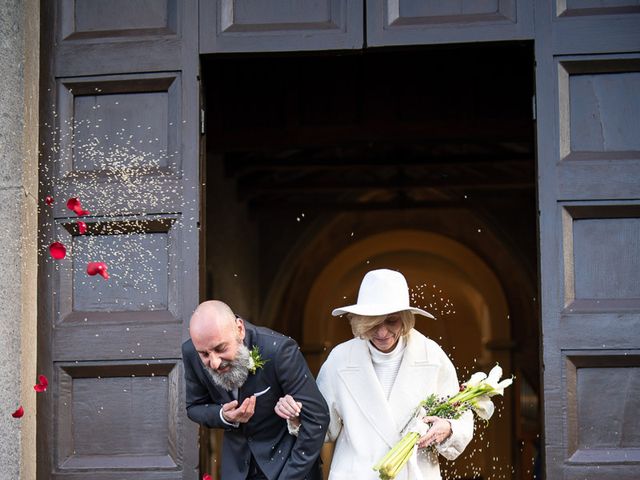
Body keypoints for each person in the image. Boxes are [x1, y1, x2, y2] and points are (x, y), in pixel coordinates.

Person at [275, 269, 473, 480]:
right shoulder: (340, 359)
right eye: (373, 323)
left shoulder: (432, 356)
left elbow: (461, 417)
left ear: (406, 319)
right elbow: (324, 427)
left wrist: (448, 428)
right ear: (360, 321)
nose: (382, 333)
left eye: (391, 321)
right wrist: (297, 417)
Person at [183, 300, 330, 480]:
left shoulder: (279, 350)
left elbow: (317, 418)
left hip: (288, 466)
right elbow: (194, 406)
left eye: (220, 348)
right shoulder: (190, 352)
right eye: (204, 354)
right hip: (237, 470)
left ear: (239, 329)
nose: (214, 362)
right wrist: (223, 416)